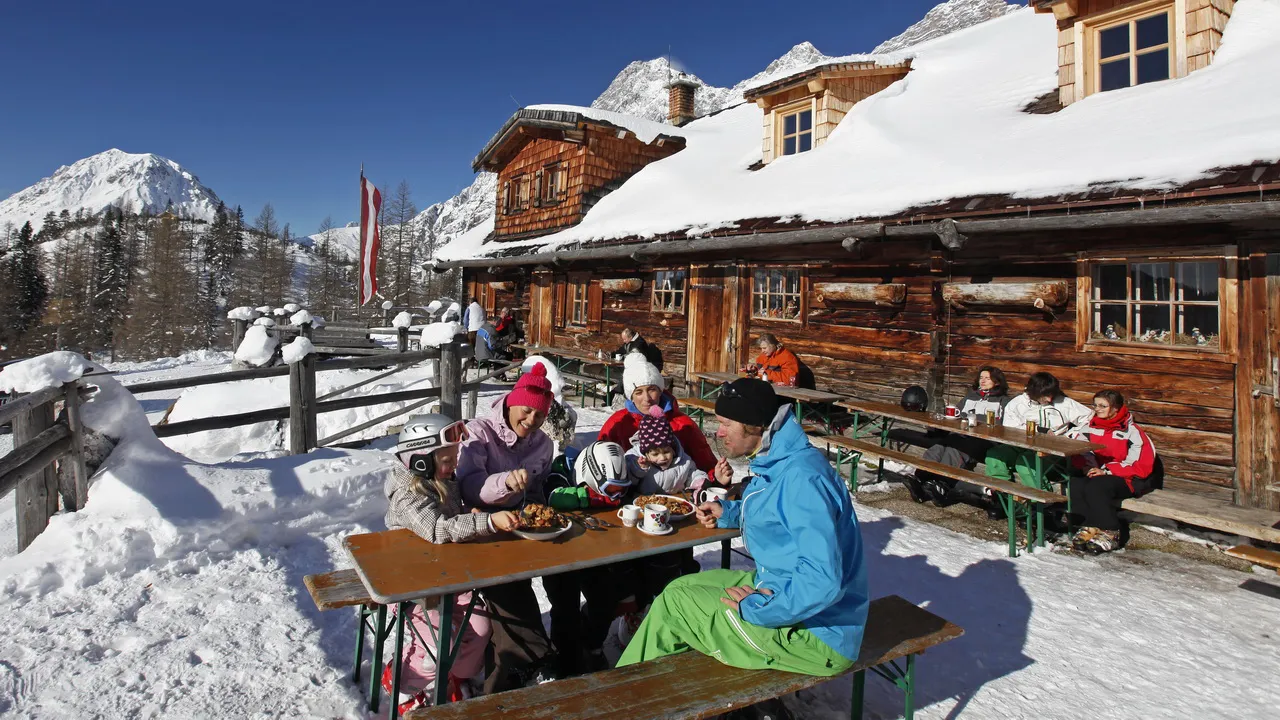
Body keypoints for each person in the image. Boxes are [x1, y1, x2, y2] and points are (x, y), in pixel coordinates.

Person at [618, 378, 868, 687]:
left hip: (817, 633)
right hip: (781, 587)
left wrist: (758, 609)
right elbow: (778, 512)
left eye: (725, 424)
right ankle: (646, 686)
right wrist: (731, 513)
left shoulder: (802, 479)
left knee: (675, 608)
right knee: (675, 590)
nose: (718, 433)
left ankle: (627, 695)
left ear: (754, 426)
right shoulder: (778, 459)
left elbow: (823, 580)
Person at [381, 414, 516, 712]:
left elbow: (455, 515)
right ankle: (403, 683)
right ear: (420, 461)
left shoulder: (441, 479)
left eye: (455, 456)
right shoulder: (407, 495)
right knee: (439, 643)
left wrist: (472, 514)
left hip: (448, 575)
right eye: (447, 458)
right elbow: (438, 528)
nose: (454, 464)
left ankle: (453, 676)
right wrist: (487, 522)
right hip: (414, 586)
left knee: (479, 629)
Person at [455, 364, 556, 692]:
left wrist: (544, 507)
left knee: (567, 574)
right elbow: (469, 485)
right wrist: (506, 483)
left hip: (524, 527)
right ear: (511, 403)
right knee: (508, 587)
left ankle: (577, 643)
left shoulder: (543, 445)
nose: (531, 421)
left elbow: (539, 488)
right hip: (480, 526)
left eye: (539, 416)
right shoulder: (479, 432)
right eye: (526, 411)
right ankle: (530, 663)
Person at [542, 442, 637, 678]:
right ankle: (565, 660)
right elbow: (554, 497)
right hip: (559, 551)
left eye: (620, 489)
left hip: (595, 549)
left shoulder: (617, 485)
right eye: (611, 489)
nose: (615, 496)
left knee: (604, 597)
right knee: (565, 606)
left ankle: (592, 645)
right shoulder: (563, 468)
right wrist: (590, 497)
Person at [904, 367, 1012, 508]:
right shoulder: (971, 396)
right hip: (960, 434)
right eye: (981, 377)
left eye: (987, 378)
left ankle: (942, 486)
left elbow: (1005, 425)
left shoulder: (1003, 401)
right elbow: (957, 414)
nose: (983, 381)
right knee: (938, 447)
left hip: (983, 440)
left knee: (954, 451)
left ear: (997, 382)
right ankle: (921, 479)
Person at [1069, 390, 1161, 554]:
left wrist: (1106, 470)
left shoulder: (1132, 432)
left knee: (1097, 486)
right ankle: (1088, 524)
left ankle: (1110, 530)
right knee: (1077, 482)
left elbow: (1140, 464)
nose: (1097, 409)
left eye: (1103, 406)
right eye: (1095, 405)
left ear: (1116, 408)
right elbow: (1080, 449)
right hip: (1098, 471)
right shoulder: (1091, 426)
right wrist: (1086, 466)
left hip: (1128, 477)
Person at [599, 352, 718, 474]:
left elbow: (707, 465)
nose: (647, 398)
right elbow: (599, 466)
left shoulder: (683, 424)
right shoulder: (618, 423)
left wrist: (717, 477)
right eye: (639, 392)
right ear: (631, 396)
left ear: (660, 391)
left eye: (652, 390)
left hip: (677, 491)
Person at [985, 371, 1094, 488]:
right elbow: (1010, 428)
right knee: (995, 455)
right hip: (1021, 445)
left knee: (1026, 463)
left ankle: (1041, 502)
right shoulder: (1017, 404)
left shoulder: (1063, 403)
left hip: (1053, 450)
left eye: (1052, 393)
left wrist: (1069, 436)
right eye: (1045, 394)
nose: (1049, 398)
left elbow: (1090, 420)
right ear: (1033, 391)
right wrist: (1039, 430)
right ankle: (1001, 493)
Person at [626, 405, 711, 495]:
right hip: (644, 503)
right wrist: (639, 469)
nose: (662, 457)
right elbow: (629, 479)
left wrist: (700, 481)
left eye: (666, 452)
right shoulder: (634, 458)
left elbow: (692, 474)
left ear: (673, 449)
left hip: (674, 503)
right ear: (645, 453)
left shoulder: (683, 461)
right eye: (655, 454)